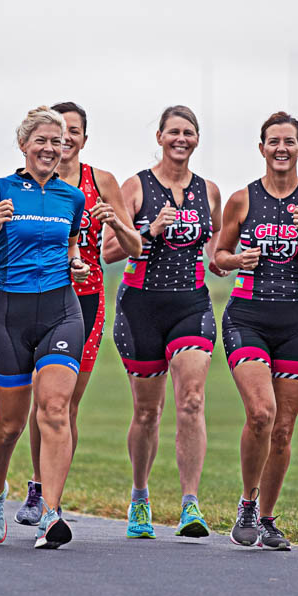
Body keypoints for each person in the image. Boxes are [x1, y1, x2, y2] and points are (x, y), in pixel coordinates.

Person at [0, 105, 90, 549]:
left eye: (58, 141)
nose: (51, 148)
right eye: (42, 141)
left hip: (61, 309)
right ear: (24, 145)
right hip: (10, 316)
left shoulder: (71, 197)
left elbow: (71, 244)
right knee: (10, 425)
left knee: (55, 409)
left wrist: (76, 262)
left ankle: (50, 513)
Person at [212, 111, 298, 550]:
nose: (281, 148)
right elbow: (217, 257)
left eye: (289, 141)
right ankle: (246, 504)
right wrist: (235, 261)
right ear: (262, 147)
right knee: (261, 413)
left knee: (283, 430)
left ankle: (266, 519)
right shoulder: (241, 200)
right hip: (247, 316)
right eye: (273, 141)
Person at [14, 102, 142, 525]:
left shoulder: (100, 181)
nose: (64, 139)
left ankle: (53, 498)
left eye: (73, 132)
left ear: (84, 139)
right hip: (36, 298)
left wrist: (116, 223)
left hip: (85, 300)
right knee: (42, 400)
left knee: (66, 405)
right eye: (57, 131)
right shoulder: (26, 183)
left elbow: (136, 247)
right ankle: (36, 487)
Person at [104, 105, 226, 540]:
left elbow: (216, 254)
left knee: (191, 400)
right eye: (173, 131)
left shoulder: (209, 191)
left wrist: (230, 262)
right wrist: (150, 229)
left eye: (189, 132)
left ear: (197, 139)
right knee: (148, 411)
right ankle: (140, 499)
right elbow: (110, 251)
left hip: (190, 305)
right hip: (141, 309)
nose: (181, 138)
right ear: (159, 137)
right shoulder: (135, 186)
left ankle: (191, 504)